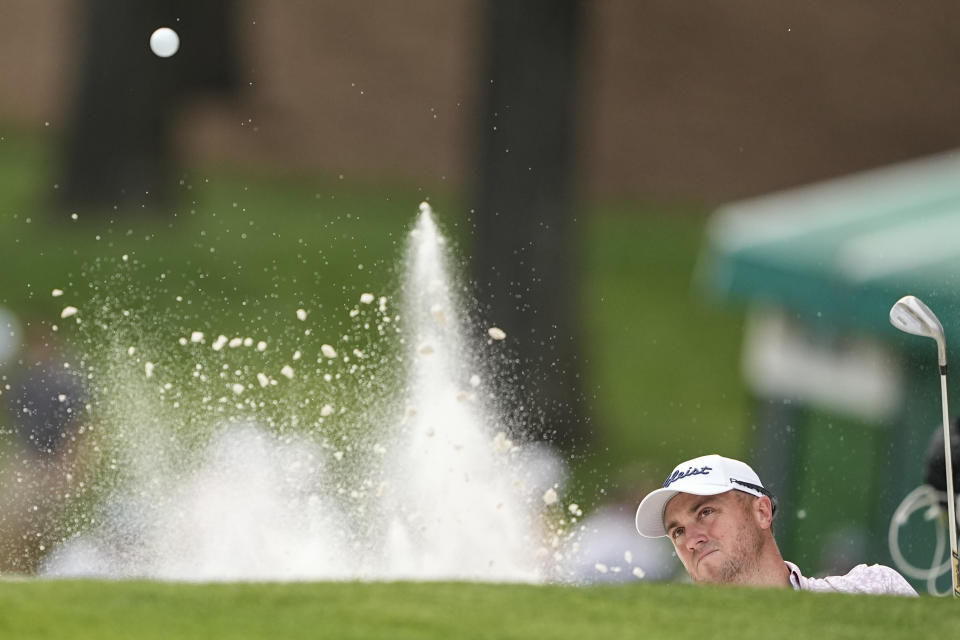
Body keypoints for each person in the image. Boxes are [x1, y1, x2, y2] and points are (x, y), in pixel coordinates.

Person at [634, 454, 917, 596]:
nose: (691, 541)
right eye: (678, 531)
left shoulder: (873, 591)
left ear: (762, 512)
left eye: (706, 512)